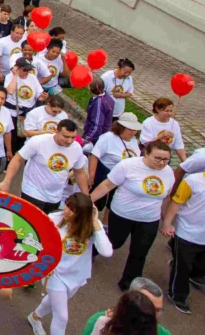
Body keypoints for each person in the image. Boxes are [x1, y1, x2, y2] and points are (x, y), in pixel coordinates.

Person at [91, 140, 175, 290]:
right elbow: (107, 185)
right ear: (146, 154)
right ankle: (91, 250)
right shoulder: (128, 165)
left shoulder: (168, 172)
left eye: (166, 159)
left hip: (149, 219)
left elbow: (166, 197)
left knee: (140, 252)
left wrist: (166, 222)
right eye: (158, 158)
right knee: (114, 242)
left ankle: (129, 284)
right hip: (123, 214)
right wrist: (87, 201)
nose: (162, 163)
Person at [27, 193, 113, 335]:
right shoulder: (54, 219)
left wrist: (96, 222)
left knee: (55, 301)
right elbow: (38, 241)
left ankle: (35, 317)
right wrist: (41, 264)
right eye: (67, 205)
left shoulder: (90, 228)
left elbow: (107, 251)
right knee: (62, 317)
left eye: (73, 210)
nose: (67, 211)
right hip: (55, 274)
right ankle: (36, 319)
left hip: (77, 275)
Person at [0, 119, 88, 214]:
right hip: (32, 192)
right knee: (29, 225)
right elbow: (17, 159)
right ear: (57, 131)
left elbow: (79, 172)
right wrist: (6, 181)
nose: (69, 141)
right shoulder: (38, 141)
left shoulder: (76, 148)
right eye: (66, 137)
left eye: (73, 137)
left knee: (45, 227)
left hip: (55, 197)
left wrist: (87, 197)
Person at [161, 155, 205, 315]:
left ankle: (196, 275)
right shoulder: (193, 181)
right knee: (182, 267)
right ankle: (177, 295)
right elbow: (176, 203)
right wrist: (167, 223)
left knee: (199, 263)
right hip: (187, 232)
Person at [87, 113, 143, 214]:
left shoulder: (135, 141)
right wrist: (91, 177)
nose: (133, 132)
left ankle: (106, 226)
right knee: (97, 202)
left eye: (134, 129)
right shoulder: (107, 138)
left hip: (123, 176)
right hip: (104, 173)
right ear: (120, 127)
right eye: (129, 129)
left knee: (113, 203)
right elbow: (94, 156)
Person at [81, 280, 170, 335]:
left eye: (158, 310)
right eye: (146, 307)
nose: (152, 315)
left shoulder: (163, 333)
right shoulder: (99, 322)